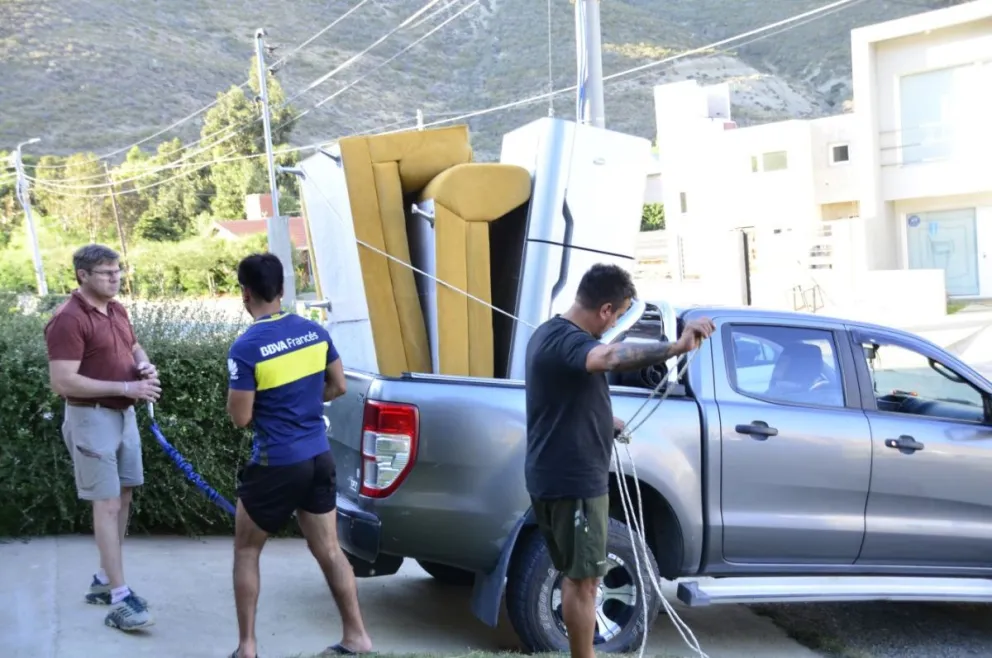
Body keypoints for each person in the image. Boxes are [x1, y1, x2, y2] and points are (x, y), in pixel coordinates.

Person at [524, 263, 715, 658]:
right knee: (584, 581)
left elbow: (561, 397)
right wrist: (676, 348)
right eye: (621, 313)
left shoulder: (548, 333)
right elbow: (608, 358)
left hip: (562, 476)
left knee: (581, 577)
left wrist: (602, 419)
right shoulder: (570, 341)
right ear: (606, 309)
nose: (616, 324)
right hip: (573, 482)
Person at [225, 252, 373, 658]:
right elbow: (339, 386)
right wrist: (306, 406)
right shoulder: (314, 331)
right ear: (282, 290)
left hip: (276, 462)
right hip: (318, 457)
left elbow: (240, 418)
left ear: (245, 293)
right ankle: (357, 638)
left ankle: (247, 648)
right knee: (329, 549)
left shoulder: (246, 346)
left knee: (246, 549)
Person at [44, 243, 161, 632]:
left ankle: (102, 580)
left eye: (118, 271)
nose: (116, 279)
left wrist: (142, 365)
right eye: (107, 273)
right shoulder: (67, 320)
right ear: (82, 276)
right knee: (107, 504)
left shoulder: (116, 309)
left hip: (123, 415)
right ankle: (121, 596)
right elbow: (62, 382)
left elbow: (132, 344)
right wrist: (126, 389)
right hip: (90, 418)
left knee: (124, 494)